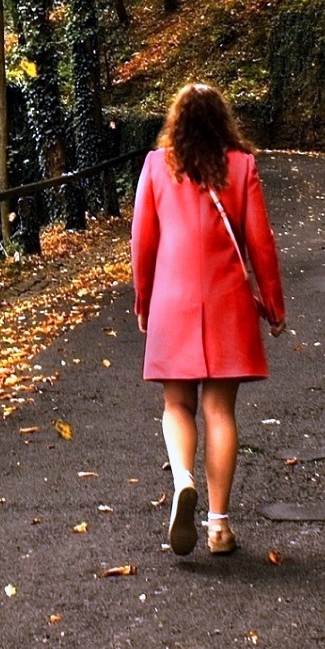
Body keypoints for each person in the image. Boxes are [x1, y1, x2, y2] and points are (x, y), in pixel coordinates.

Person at [129, 82, 285, 558]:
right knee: (220, 411)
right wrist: (274, 306)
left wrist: (143, 302)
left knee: (176, 405)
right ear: (223, 122)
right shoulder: (240, 166)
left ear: (176, 121)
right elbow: (260, 243)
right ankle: (218, 527)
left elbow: (142, 243)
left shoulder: (157, 167)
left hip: (172, 302)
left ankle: (182, 480)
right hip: (228, 304)